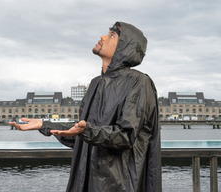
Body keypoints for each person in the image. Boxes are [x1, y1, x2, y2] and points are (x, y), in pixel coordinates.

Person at [10, 21, 162, 192]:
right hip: (86, 179)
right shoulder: (95, 83)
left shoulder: (139, 82)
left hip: (119, 184)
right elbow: (82, 134)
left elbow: (125, 135)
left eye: (112, 35)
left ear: (125, 46)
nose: (102, 37)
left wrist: (85, 130)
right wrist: (44, 125)